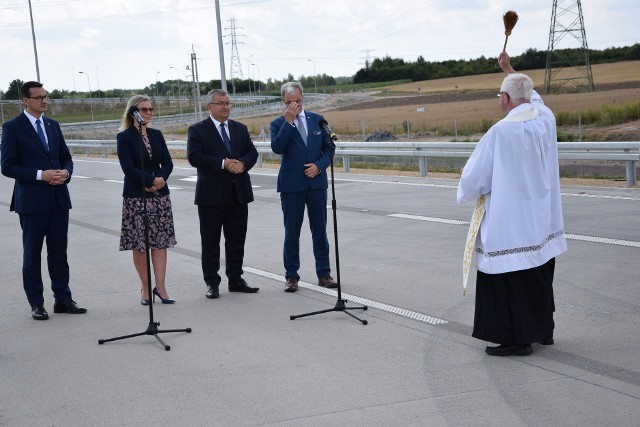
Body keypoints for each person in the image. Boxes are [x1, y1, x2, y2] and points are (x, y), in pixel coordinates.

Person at [457, 52, 567, 356]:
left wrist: (463, 180)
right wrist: (508, 69)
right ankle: (543, 330)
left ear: (505, 98)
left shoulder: (501, 132)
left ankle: (516, 339)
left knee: (511, 278)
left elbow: (476, 178)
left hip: (513, 222)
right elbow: (535, 97)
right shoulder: (546, 119)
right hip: (542, 219)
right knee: (539, 274)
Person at [1, 81, 87, 320]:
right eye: (39, 97)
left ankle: (63, 299)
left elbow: (66, 158)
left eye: (46, 97)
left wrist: (66, 173)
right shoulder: (12, 128)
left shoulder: (53, 125)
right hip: (31, 202)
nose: (44, 101)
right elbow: (7, 166)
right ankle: (36, 303)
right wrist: (41, 175)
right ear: (25, 100)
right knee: (32, 254)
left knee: (59, 253)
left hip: (59, 199)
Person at [187, 89, 259, 299]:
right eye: (221, 103)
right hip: (211, 196)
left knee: (236, 240)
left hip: (238, 194)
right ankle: (212, 282)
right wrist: (223, 164)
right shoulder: (198, 130)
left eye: (228, 103)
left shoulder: (240, 129)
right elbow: (195, 157)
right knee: (210, 242)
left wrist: (242, 164)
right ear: (210, 106)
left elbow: (252, 152)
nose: (225, 107)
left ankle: (235, 279)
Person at [270, 81, 337, 293]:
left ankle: (324, 273)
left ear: (303, 98)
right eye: (290, 102)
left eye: (298, 101)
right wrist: (289, 121)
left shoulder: (317, 120)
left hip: (316, 184)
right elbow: (277, 147)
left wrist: (319, 166)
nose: (295, 105)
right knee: (292, 232)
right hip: (292, 186)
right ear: (283, 102)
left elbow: (330, 148)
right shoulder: (278, 123)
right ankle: (291, 276)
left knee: (319, 230)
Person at [117, 95, 177, 305]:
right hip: (136, 196)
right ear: (133, 112)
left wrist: (160, 180)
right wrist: (151, 179)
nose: (149, 113)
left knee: (160, 244)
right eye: (144, 109)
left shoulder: (157, 135)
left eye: (150, 109)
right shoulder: (124, 137)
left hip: (160, 196)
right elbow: (128, 168)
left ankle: (160, 287)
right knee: (140, 244)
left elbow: (168, 162)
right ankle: (145, 287)